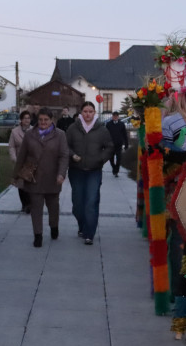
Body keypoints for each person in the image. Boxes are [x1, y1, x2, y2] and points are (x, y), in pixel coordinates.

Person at [13, 110, 69, 247]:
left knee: (53, 207)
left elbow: (64, 156)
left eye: (46, 120)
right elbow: (22, 156)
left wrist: (61, 173)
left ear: (52, 120)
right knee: (36, 208)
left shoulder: (60, 135)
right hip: (34, 177)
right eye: (40, 120)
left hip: (53, 178)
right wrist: (16, 174)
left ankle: (54, 226)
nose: (43, 122)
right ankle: (38, 235)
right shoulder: (30, 135)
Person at [65, 101, 114, 245]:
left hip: (94, 171)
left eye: (90, 111)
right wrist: (72, 155)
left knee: (91, 202)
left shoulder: (101, 129)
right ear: (81, 113)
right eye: (85, 111)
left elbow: (110, 147)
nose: (88, 114)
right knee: (78, 204)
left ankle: (89, 233)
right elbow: (65, 146)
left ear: (94, 113)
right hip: (76, 170)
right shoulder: (73, 128)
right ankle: (82, 225)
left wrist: (100, 159)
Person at [8, 110, 33, 212]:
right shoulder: (15, 132)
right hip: (19, 161)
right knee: (21, 184)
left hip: (31, 162)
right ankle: (25, 204)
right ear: (21, 120)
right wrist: (14, 158)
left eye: (28, 118)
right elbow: (11, 147)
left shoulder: (34, 130)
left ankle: (30, 204)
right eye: (25, 118)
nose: (27, 120)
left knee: (30, 184)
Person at [105, 110, 129, 177]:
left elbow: (124, 134)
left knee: (119, 158)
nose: (115, 117)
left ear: (118, 117)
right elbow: (105, 134)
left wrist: (126, 144)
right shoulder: (108, 124)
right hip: (111, 144)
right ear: (112, 117)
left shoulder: (121, 124)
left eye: (116, 116)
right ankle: (114, 168)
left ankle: (116, 171)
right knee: (111, 159)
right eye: (114, 116)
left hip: (119, 144)